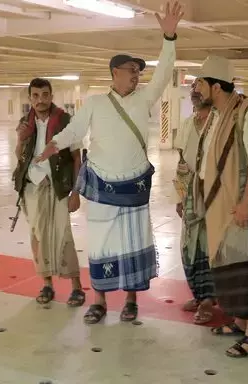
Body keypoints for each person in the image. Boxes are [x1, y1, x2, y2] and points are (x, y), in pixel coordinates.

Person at [35, 0, 184, 324]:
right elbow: (74, 130)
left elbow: (164, 74)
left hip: (134, 185)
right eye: (132, 71)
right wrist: (53, 144)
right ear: (115, 72)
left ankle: (131, 302)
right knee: (100, 245)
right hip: (102, 187)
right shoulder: (95, 103)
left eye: (139, 72)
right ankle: (99, 301)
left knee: (133, 241)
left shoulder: (144, 99)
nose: (137, 76)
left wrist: (169, 40)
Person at [193, 55, 248, 358]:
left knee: (244, 267)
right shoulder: (217, 113)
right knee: (227, 266)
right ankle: (239, 322)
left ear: (215, 86)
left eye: (201, 83)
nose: (197, 89)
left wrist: (245, 201)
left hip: (237, 207)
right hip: (217, 206)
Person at [12, 78, 84, 307]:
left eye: (44, 95)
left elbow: (76, 158)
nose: (40, 100)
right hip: (32, 186)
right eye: (35, 95)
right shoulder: (25, 122)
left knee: (63, 234)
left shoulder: (65, 121)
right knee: (37, 234)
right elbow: (19, 155)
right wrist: (20, 139)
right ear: (30, 98)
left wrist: (76, 192)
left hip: (58, 185)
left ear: (51, 96)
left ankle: (76, 287)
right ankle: (47, 284)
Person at [173, 81, 215, 324]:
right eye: (194, 90)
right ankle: (199, 295)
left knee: (210, 250)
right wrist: (180, 197)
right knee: (188, 249)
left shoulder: (220, 123)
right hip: (190, 196)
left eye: (201, 89)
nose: (195, 93)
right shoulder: (188, 124)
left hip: (215, 195)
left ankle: (209, 301)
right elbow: (181, 164)